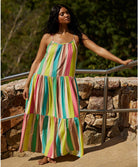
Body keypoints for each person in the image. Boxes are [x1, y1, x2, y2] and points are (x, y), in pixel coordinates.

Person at [18, 4, 133, 165]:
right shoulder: (47, 37)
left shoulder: (77, 37)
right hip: (43, 81)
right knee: (47, 117)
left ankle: (58, 150)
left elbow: (98, 49)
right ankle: (48, 153)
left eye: (67, 13)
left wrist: (120, 61)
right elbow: (37, 61)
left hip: (65, 84)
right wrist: (27, 83)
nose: (66, 15)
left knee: (67, 116)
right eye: (62, 14)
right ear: (56, 18)